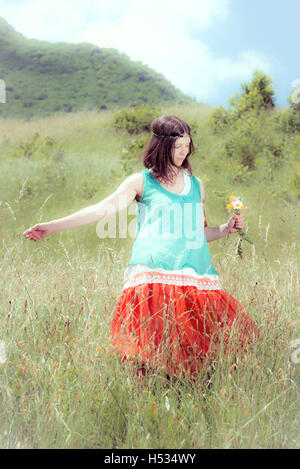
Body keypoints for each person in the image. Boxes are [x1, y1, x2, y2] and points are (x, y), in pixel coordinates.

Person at [23, 114, 259, 378]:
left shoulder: (196, 186)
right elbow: (102, 210)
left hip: (196, 278)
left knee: (200, 363)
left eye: (187, 146)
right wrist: (53, 226)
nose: (183, 152)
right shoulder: (141, 182)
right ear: (161, 145)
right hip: (153, 276)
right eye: (177, 146)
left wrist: (226, 229)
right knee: (154, 360)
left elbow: (199, 233)